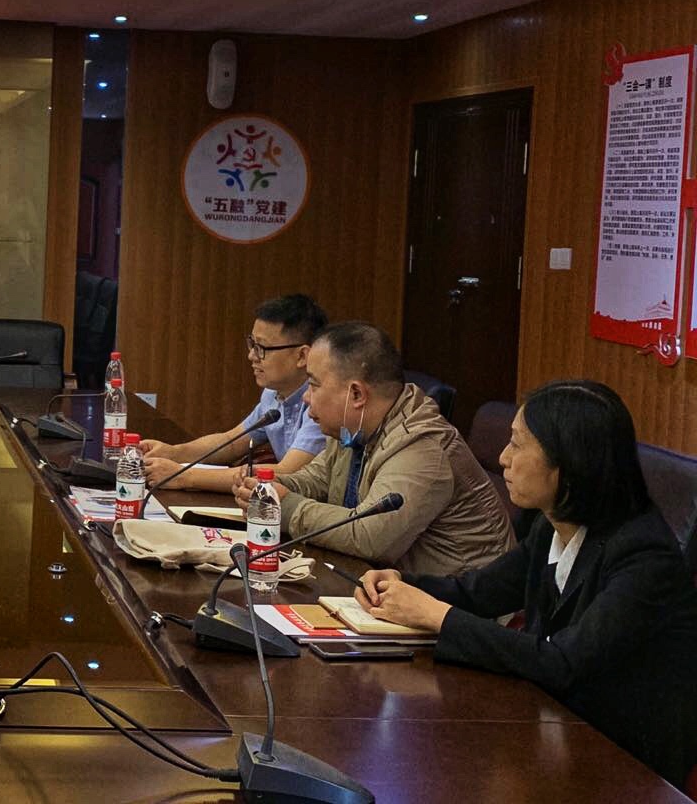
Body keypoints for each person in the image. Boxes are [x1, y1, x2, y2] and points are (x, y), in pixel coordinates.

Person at [355, 381, 697, 787]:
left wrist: (438, 616)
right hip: (553, 726)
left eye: (517, 445)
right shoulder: (551, 523)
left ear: (568, 463)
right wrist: (400, 584)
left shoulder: (644, 556)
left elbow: (564, 662)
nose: (503, 458)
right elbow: (478, 592)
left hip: (623, 766)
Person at [236, 321, 513, 575]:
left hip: (456, 603)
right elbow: (317, 480)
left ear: (356, 394)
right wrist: (267, 488)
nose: (307, 398)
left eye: (314, 385)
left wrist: (287, 507)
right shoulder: (352, 429)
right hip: (390, 586)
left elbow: (370, 537)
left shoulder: (422, 447)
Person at [140, 294, 328, 493]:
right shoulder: (272, 394)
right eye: (252, 344)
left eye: (262, 348)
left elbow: (286, 472)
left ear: (302, 356)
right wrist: (173, 452)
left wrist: (182, 476)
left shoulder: (322, 404)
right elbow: (231, 442)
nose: (251, 356)